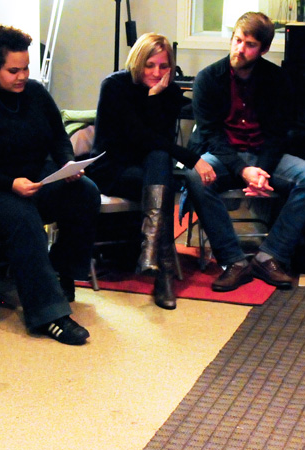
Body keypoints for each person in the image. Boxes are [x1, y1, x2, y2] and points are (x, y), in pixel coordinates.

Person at [0, 26, 97, 345]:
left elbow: (58, 136)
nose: (22, 76)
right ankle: (48, 315)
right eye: (14, 70)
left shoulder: (35, 94)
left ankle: (60, 273)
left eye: (26, 68)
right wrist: (9, 183)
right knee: (21, 216)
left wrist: (67, 164)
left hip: (27, 181)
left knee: (84, 192)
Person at [182, 11, 305, 292]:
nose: (240, 49)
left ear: (264, 49)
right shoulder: (208, 78)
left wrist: (261, 171)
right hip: (224, 156)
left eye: (249, 45)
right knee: (195, 176)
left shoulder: (277, 79)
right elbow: (211, 135)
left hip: (264, 154)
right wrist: (243, 170)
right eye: (237, 40)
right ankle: (234, 262)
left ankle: (270, 256)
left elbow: (278, 134)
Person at [88, 32, 209, 310]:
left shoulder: (171, 93)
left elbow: (159, 141)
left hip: (148, 170)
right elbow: (137, 136)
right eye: (150, 65)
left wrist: (156, 99)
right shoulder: (115, 86)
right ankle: (164, 272)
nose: (156, 72)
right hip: (112, 168)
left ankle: (150, 253)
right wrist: (192, 159)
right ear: (138, 62)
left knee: (159, 162)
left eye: (164, 66)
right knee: (161, 180)